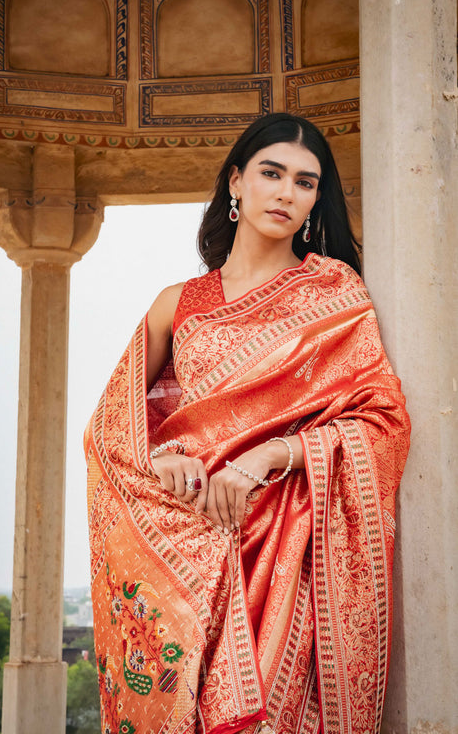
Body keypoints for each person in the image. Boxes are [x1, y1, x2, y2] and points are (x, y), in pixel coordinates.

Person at [85, 113, 410, 734]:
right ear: (236, 182)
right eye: (271, 173)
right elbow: (109, 432)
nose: (288, 192)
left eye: (307, 182)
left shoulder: (334, 292)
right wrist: (159, 458)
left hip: (292, 552)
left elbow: (382, 419)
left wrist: (269, 457)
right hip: (189, 554)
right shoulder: (177, 303)